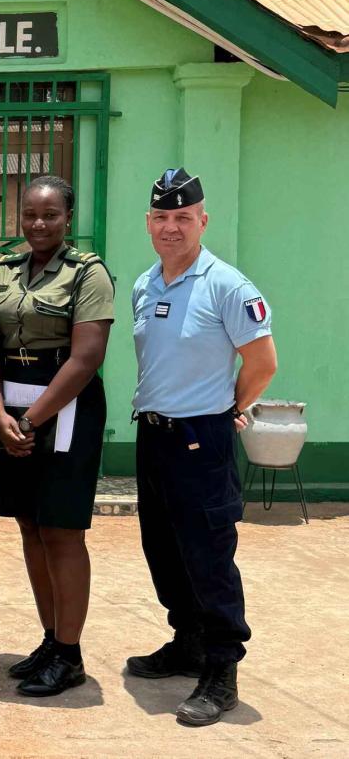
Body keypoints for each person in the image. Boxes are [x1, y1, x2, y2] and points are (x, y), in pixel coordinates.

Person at [127, 168, 277, 726]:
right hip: (154, 434)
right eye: (162, 218)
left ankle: (221, 670)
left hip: (200, 438)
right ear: (149, 223)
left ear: (202, 221)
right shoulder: (147, 283)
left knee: (209, 555)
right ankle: (186, 642)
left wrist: (229, 409)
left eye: (183, 218)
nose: (172, 227)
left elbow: (263, 364)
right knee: (162, 547)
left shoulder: (228, 286)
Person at [0, 175, 114, 697]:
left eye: (50, 215)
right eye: (30, 215)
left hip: (65, 411)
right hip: (11, 410)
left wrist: (31, 421)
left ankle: (70, 652)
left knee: (61, 530)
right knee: (30, 527)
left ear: (68, 219)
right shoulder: (5, 270)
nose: (38, 224)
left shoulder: (89, 273)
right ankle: (49, 640)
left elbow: (86, 359)